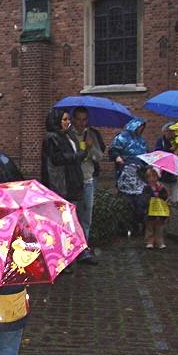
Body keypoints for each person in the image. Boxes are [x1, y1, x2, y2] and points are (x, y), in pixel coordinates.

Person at [41, 108, 85, 273]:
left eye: (68, 119)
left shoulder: (66, 135)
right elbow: (57, 159)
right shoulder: (52, 137)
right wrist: (77, 156)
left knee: (67, 224)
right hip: (59, 186)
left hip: (69, 184)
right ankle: (59, 260)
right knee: (60, 225)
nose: (68, 122)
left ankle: (67, 257)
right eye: (64, 119)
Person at [69, 106, 105, 265]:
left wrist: (90, 148)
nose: (81, 123)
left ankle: (83, 251)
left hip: (88, 180)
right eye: (78, 119)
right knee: (71, 219)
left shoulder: (91, 135)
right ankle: (70, 252)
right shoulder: (68, 135)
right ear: (73, 119)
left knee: (86, 218)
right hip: (72, 182)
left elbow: (99, 157)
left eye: (84, 120)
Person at [108, 117, 148, 235]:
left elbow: (146, 154)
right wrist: (117, 157)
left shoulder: (142, 140)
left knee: (139, 201)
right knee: (126, 202)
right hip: (126, 171)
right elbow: (113, 151)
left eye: (142, 128)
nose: (141, 129)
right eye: (139, 127)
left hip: (139, 174)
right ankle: (125, 227)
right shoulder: (122, 138)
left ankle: (137, 225)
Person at [141, 166, 169, 249]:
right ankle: (150, 241)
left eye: (154, 176)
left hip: (160, 211)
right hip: (150, 211)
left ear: (157, 177)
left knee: (159, 228)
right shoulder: (146, 188)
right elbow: (144, 198)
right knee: (149, 227)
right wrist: (151, 197)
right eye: (149, 177)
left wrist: (160, 195)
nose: (151, 179)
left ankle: (159, 241)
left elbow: (165, 197)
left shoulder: (161, 187)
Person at [154, 122, 178, 202]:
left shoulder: (177, 141)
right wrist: (169, 150)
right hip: (164, 173)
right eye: (168, 131)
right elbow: (158, 153)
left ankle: (175, 213)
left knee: (176, 198)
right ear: (164, 132)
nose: (170, 133)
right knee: (164, 197)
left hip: (175, 172)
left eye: (172, 131)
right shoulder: (160, 141)